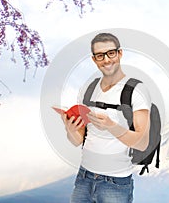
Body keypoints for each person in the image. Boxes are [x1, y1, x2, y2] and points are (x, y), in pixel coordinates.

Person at [61, 33, 151, 203]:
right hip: (83, 178)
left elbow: (142, 142)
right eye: (100, 56)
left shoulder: (136, 90)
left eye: (111, 53)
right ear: (94, 59)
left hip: (115, 184)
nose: (107, 60)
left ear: (120, 53)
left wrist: (112, 126)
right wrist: (70, 129)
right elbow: (77, 140)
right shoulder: (88, 88)